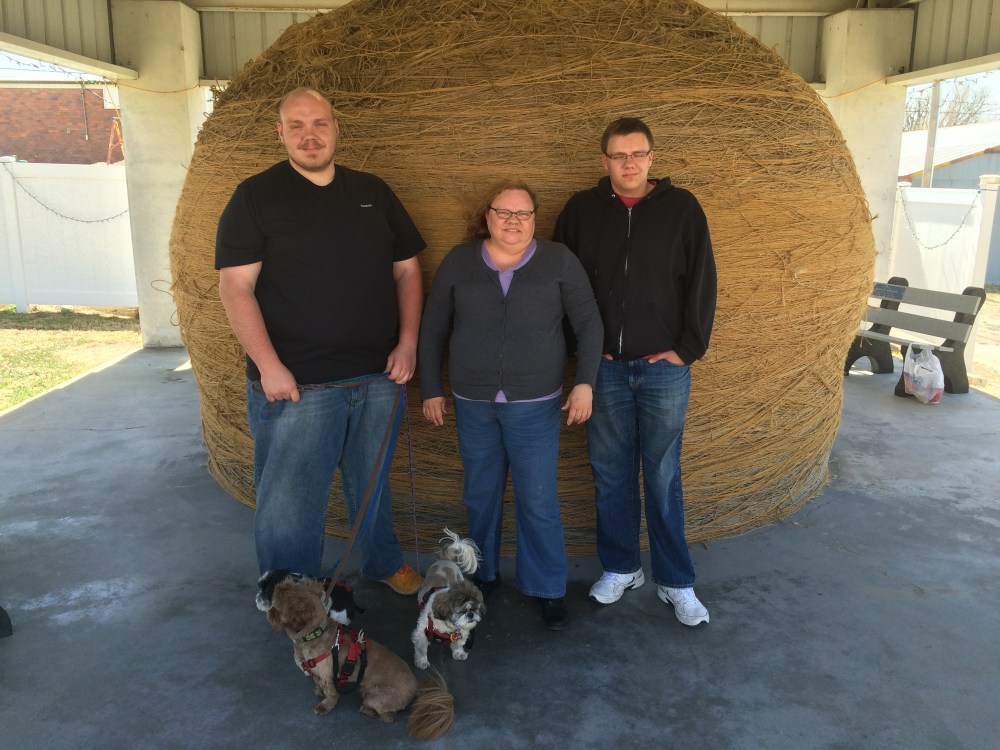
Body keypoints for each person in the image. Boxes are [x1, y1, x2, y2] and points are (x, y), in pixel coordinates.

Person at [215, 87, 424, 595]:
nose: (310, 136)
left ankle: (380, 561)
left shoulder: (373, 191)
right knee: (289, 497)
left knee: (371, 485)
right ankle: (290, 593)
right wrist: (269, 366)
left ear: (336, 129)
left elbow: (408, 271)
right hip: (298, 383)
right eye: (297, 126)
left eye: (319, 124)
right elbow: (235, 287)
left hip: (377, 374)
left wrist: (408, 342)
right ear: (280, 133)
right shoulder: (256, 197)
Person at [553, 117, 717, 627]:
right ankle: (622, 567)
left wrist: (686, 349)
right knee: (610, 473)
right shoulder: (581, 211)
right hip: (602, 370)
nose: (629, 164)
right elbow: (558, 284)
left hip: (662, 370)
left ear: (651, 157)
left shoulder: (682, 209)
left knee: (663, 474)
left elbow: (702, 281)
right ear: (604, 160)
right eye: (619, 155)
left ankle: (676, 581)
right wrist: (581, 351)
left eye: (638, 154)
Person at [418, 180, 603, 630]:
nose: (513, 221)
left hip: (535, 404)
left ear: (535, 219)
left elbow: (590, 323)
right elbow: (433, 327)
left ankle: (548, 587)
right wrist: (430, 387)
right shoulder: (460, 262)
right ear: (488, 216)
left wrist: (585, 384)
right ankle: (481, 577)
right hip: (473, 401)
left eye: (523, 214)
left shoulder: (559, 260)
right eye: (504, 212)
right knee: (480, 495)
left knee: (537, 498)